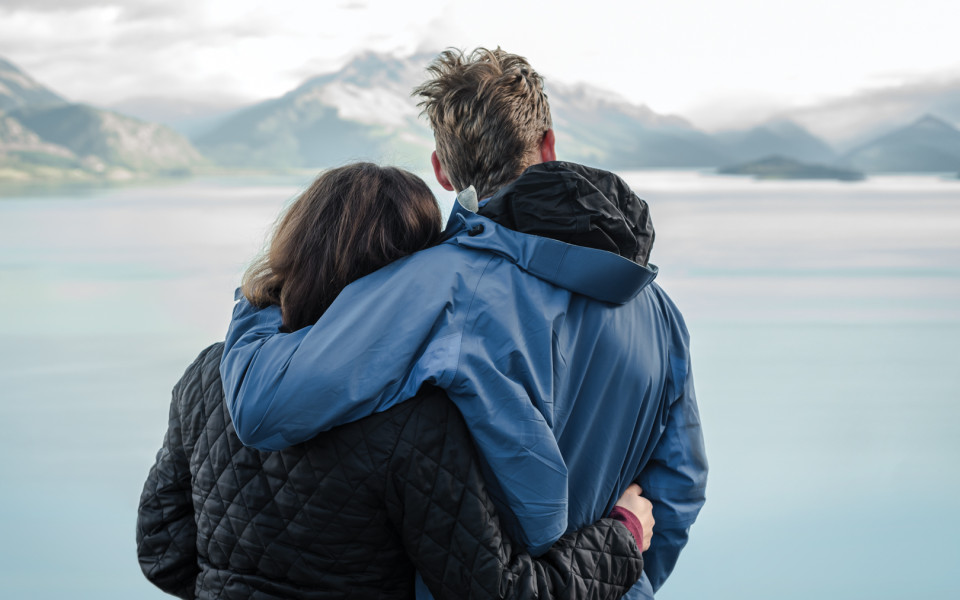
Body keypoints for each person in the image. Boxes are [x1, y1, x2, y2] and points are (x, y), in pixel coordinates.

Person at [221, 48, 707, 600]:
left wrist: (262, 297)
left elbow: (264, 407)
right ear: (548, 145)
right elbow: (679, 486)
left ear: (442, 171)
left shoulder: (440, 288)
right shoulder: (658, 308)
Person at [136, 163, 656, 600]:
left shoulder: (211, 373)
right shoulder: (420, 418)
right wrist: (622, 537)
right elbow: (499, 592)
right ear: (408, 269)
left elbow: (163, 550)